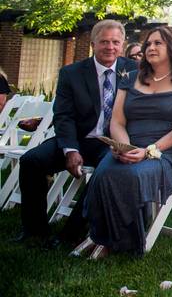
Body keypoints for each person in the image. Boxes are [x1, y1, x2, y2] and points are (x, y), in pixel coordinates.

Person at [13, 20, 138, 249]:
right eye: (104, 42)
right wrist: (70, 149)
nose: (110, 47)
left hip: (113, 142)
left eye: (115, 42)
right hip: (78, 138)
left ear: (122, 45)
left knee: (106, 171)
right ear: (92, 44)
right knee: (31, 161)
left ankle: (70, 234)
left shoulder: (135, 71)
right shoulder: (72, 73)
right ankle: (35, 230)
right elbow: (63, 116)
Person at [78, 25, 172, 258]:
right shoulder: (131, 77)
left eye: (158, 43)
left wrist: (148, 151)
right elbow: (117, 121)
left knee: (129, 175)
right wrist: (123, 147)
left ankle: (117, 242)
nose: (151, 47)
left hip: (165, 152)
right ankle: (99, 236)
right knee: (103, 173)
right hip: (128, 146)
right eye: (148, 44)